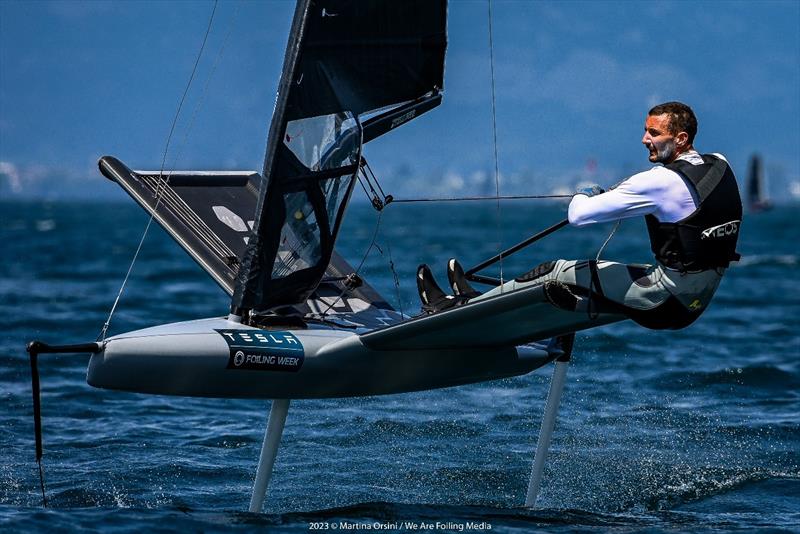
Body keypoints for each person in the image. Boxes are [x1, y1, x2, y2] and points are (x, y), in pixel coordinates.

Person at [417, 102, 742, 329]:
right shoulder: (720, 162)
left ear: (681, 139)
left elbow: (579, 215)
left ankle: (456, 310)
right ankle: (480, 301)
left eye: (654, 133)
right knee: (583, 281)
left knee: (556, 271)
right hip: (696, 298)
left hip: (663, 299)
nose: (645, 139)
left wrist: (586, 193)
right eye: (645, 131)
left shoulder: (660, 181)